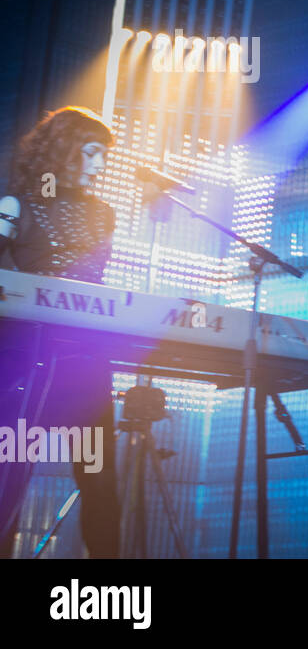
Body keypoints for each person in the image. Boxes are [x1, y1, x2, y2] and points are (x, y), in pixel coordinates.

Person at [0, 106, 120, 558]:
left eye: (104, 154)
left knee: (101, 481)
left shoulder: (103, 214)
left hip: (87, 362)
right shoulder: (14, 207)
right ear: (64, 149)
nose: (101, 164)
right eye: (92, 152)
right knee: (11, 473)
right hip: (25, 361)